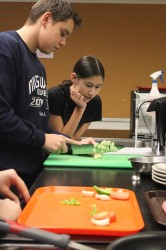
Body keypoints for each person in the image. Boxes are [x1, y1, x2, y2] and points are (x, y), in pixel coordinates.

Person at [0, 0, 94, 189]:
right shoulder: (6, 48)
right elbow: (2, 115)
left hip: (33, 174)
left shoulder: (39, 66)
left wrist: (72, 144)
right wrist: (43, 139)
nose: (63, 42)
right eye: (62, 33)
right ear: (46, 19)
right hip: (9, 178)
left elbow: (38, 126)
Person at [48, 55, 105, 140]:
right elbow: (61, 141)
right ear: (74, 78)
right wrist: (80, 108)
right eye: (88, 85)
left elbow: (73, 138)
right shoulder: (54, 96)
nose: (92, 93)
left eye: (98, 87)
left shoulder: (95, 102)